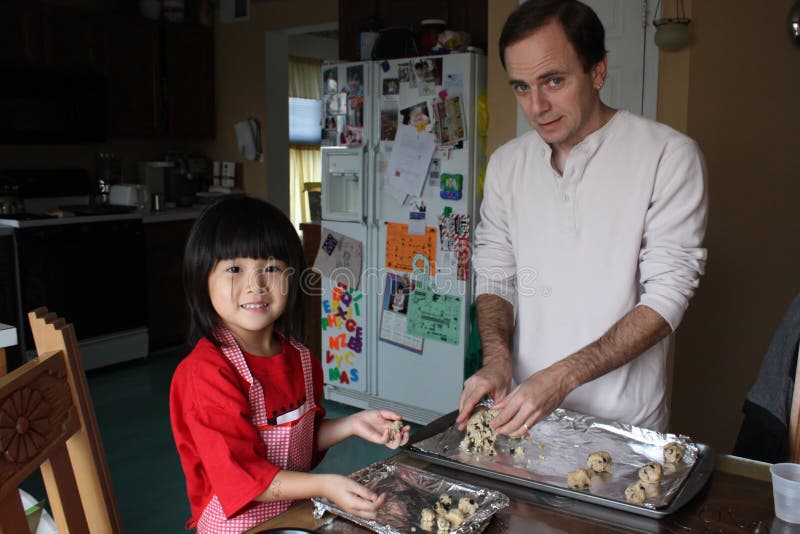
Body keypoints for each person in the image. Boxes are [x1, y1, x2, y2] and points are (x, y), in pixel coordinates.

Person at [457, 0, 708, 436]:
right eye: (521, 87)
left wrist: (561, 377)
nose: (537, 106)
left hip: (624, 428)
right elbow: (495, 277)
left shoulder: (667, 156)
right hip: (523, 418)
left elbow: (666, 297)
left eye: (554, 81)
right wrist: (497, 361)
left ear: (597, 72)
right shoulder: (506, 165)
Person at [170, 196, 410, 532]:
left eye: (270, 268)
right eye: (234, 269)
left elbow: (298, 447)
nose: (255, 285)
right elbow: (244, 477)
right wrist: (325, 486)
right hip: (236, 526)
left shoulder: (301, 359)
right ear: (202, 278)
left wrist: (354, 424)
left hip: (291, 515)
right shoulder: (206, 374)